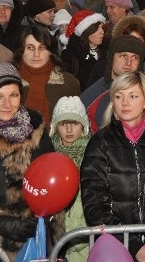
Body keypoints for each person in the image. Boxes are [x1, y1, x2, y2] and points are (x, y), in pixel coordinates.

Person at [81, 72, 145, 262]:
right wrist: (134, 246)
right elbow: (95, 206)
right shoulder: (100, 143)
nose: (125, 102)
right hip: (114, 249)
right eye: (119, 96)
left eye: (132, 96)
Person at [0, 62, 55, 260]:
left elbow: (53, 187)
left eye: (14, 95)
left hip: (37, 245)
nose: (7, 104)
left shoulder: (37, 133)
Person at [49, 96, 91, 262]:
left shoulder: (94, 154)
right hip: (55, 239)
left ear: (84, 126)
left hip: (85, 238)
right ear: (55, 127)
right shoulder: (48, 156)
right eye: (62, 123)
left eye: (74, 123)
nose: (68, 129)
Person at [15, 25, 80, 130]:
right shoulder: (9, 83)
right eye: (30, 48)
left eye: (42, 48)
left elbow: (77, 124)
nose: (36, 54)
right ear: (21, 51)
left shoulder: (69, 83)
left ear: (50, 51)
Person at [80, 35, 145, 131]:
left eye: (135, 57)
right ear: (111, 58)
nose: (128, 62)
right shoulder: (92, 97)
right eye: (123, 56)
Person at [60, 10, 107, 91]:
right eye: (97, 29)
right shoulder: (70, 55)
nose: (102, 32)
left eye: (102, 28)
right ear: (86, 31)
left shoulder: (107, 51)